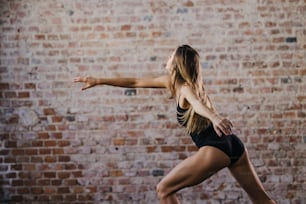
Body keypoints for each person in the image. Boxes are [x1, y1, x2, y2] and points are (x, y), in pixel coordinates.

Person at [74, 45, 276, 204]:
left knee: (163, 189)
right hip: (234, 146)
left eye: (170, 56)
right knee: (262, 200)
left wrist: (215, 117)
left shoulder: (185, 87)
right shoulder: (176, 83)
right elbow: (135, 82)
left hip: (215, 148)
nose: (167, 59)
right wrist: (99, 80)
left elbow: (197, 105)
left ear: (177, 62)